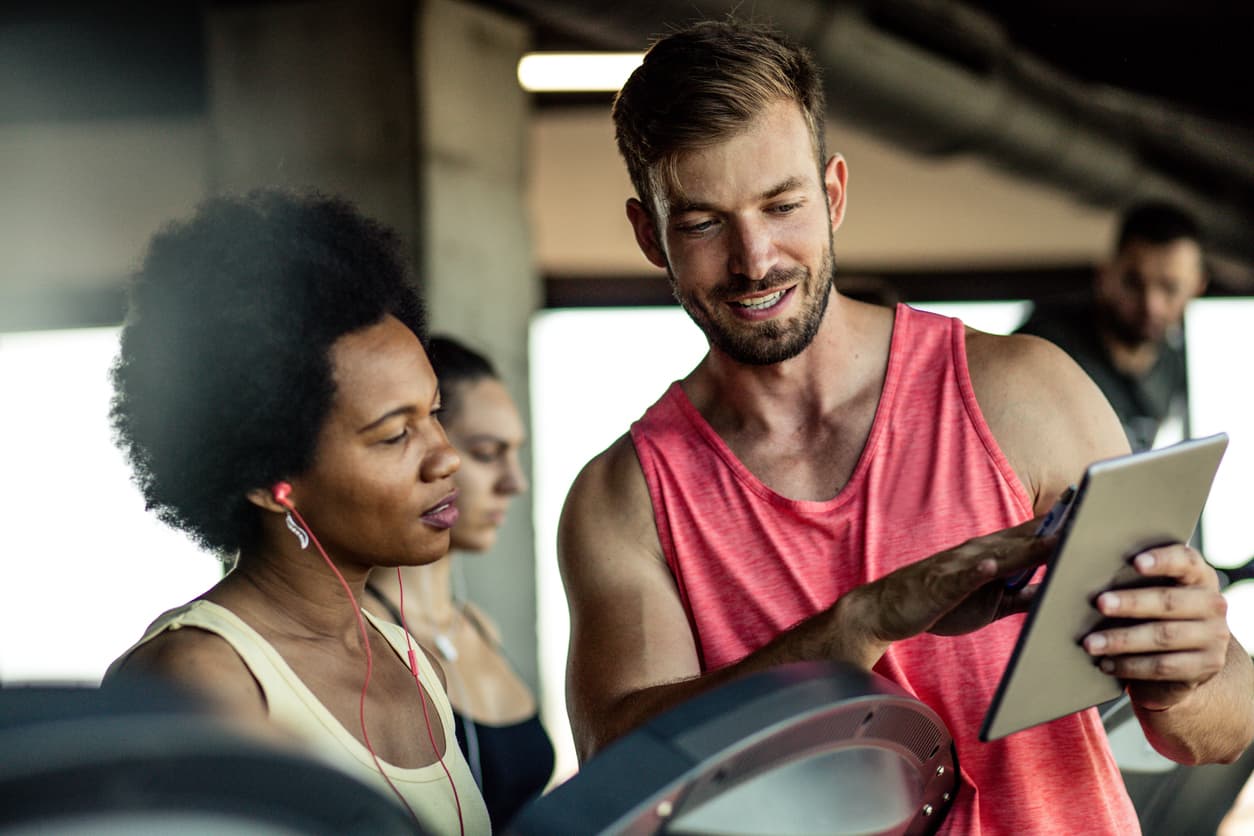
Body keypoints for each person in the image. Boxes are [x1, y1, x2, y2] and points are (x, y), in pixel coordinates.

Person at [557, 20, 1253, 835]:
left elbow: (1217, 728)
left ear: (834, 195)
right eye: (704, 223)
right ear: (649, 234)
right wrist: (861, 624)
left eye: (782, 206)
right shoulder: (628, 498)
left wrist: (1193, 669)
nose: (755, 260)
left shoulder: (1024, 395)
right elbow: (621, 770)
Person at [104, 190, 491, 836]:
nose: (445, 458)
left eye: (434, 414)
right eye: (395, 435)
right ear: (267, 477)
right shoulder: (202, 678)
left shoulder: (406, 656)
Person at [365, 335, 555, 831]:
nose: (516, 481)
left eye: (515, 453)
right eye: (488, 452)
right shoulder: (361, 638)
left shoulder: (479, 627)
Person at [1017, 202, 1207, 451]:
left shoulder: (1172, 366)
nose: (1151, 305)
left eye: (1170, 288)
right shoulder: (1047, 346)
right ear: (1105, 275)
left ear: (1197, 288)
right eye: (1133, 283)